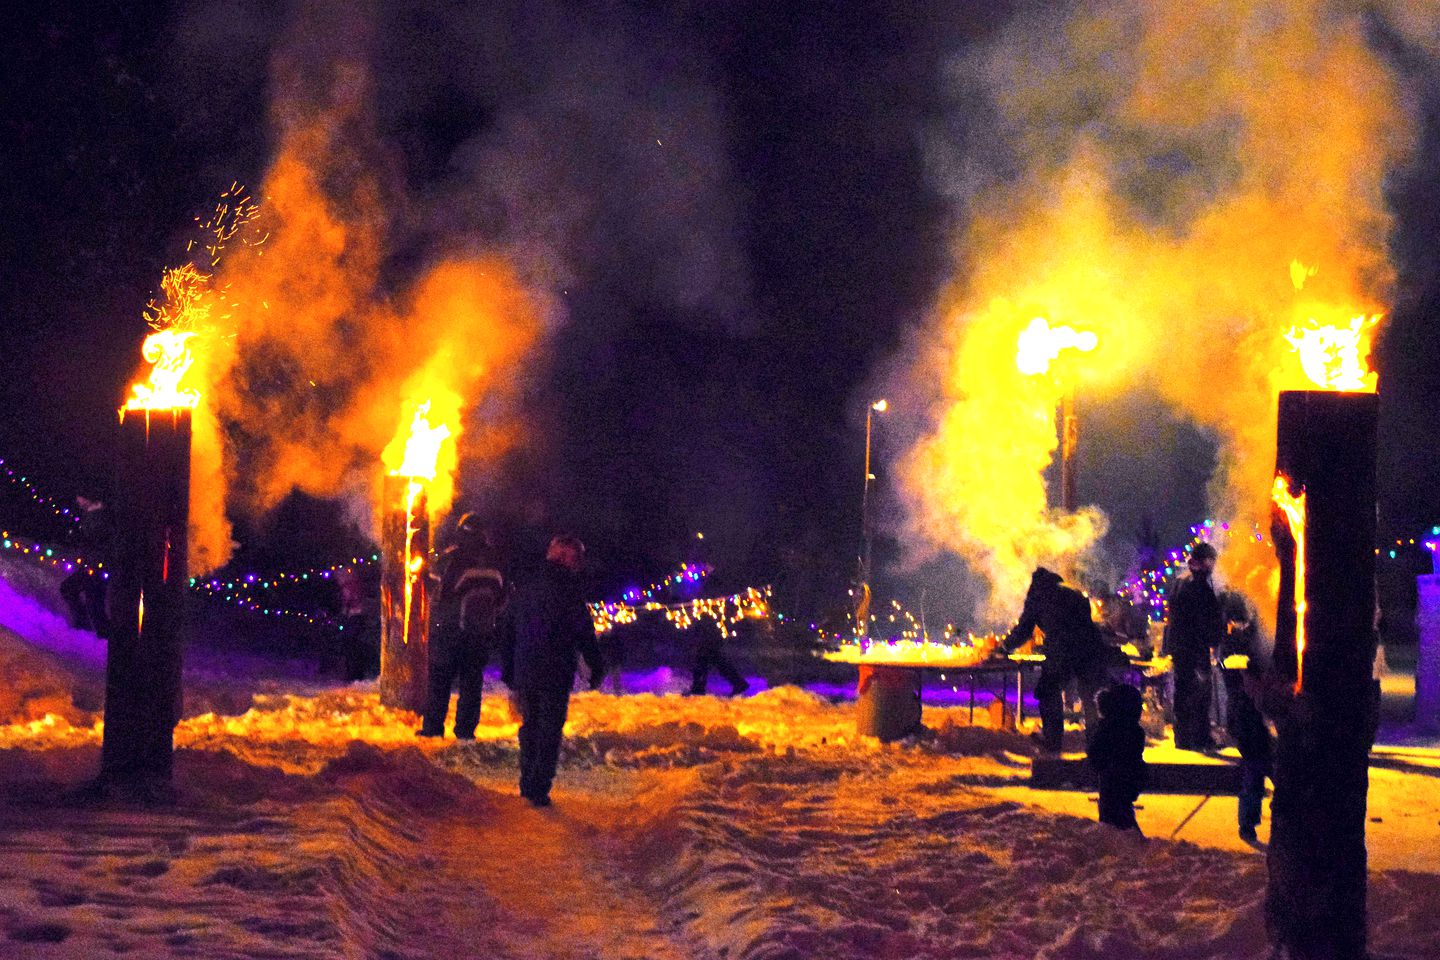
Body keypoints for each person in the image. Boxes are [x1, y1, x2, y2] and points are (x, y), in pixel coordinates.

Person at [504, 534, 605, 806]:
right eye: (576, 557)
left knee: (531, 725)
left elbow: (507, 628)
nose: (579, 564)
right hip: (555, 670)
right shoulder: (569, 591)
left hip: (526, 667)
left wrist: (509, 669)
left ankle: (528, 782)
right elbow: (584, 633)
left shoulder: (527, 586)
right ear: (565, 557)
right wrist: (596, 666)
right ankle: (538, 786)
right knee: (549, 729)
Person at [418, 514, 507, 740]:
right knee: (472, 683)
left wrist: (423, 577)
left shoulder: (454, 558)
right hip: (480, 634)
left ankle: (433, 728)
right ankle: (466, 730)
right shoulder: (495, 559)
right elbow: (502, 597)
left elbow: (440, 592)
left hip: (450, 632)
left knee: (440, 680)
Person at [1002, 566, 1107, 754]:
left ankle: (1053, 741)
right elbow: (1087, 623)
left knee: (1048, 690)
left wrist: (1004, 647)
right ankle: (1096, 742)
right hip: (1090, 648)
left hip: (1064, 649)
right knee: (1089, 696)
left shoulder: (1038, 599)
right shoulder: (1073, 594)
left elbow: (1024, 630)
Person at [1219, 589, 1272, 843]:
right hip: (1249, 715)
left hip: (1254, 714)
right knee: (1257, 768)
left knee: (1260, 768)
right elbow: (1234, 668)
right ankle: (1248, 822)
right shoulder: (1236, 645)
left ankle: (1250, 822)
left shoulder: (1251, 639)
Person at [1164, 542, 1225, 750]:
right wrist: (1216, 636)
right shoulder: (1197, 585)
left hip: (1180, 647)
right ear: (1206, 561)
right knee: (1200, 695)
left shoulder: (1181, 581)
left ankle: (1182, 738)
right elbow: (1203, 620)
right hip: (1194, 648)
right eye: (1212, 561)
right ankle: (1199, 738)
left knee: (1183, 693)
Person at [1088, 683, 1148, 833]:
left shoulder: (1108, 728)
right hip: (1117, 781)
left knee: (1114, 820)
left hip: (1114, 782)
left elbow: (1094, 753)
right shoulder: (1130, 731)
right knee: (1120, 822)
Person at [60, 495, 111, 637]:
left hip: (99, 568)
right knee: (71, 590)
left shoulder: (100, 516)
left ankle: (101, 634)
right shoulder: (89, 514)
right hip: (91, 566)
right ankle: (86, 627)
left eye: (81, 498)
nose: (78, 501)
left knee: (94, 602)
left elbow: (98, 540)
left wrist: (85, 541)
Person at [689, 614, 749, 696]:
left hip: (708, 640)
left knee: (704, 662)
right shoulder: (708, 620)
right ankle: (738, 683)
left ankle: (698, 688)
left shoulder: (705, 618)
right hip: (710, 640)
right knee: (718, 663)